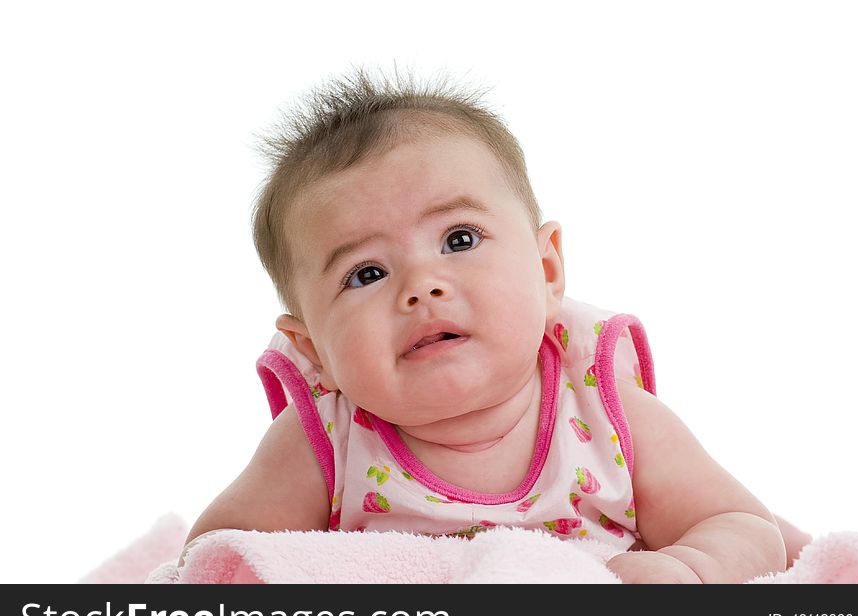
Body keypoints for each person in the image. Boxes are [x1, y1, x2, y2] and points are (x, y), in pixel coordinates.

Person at [183, 69, 806, 583]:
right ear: (312, 348)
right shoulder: (326, 439)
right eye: (366, 273)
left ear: (546, 268)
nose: (422, 287)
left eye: (459, 238)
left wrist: (688, 569)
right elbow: (217, 561)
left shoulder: (603, 412)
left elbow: (744, 527)